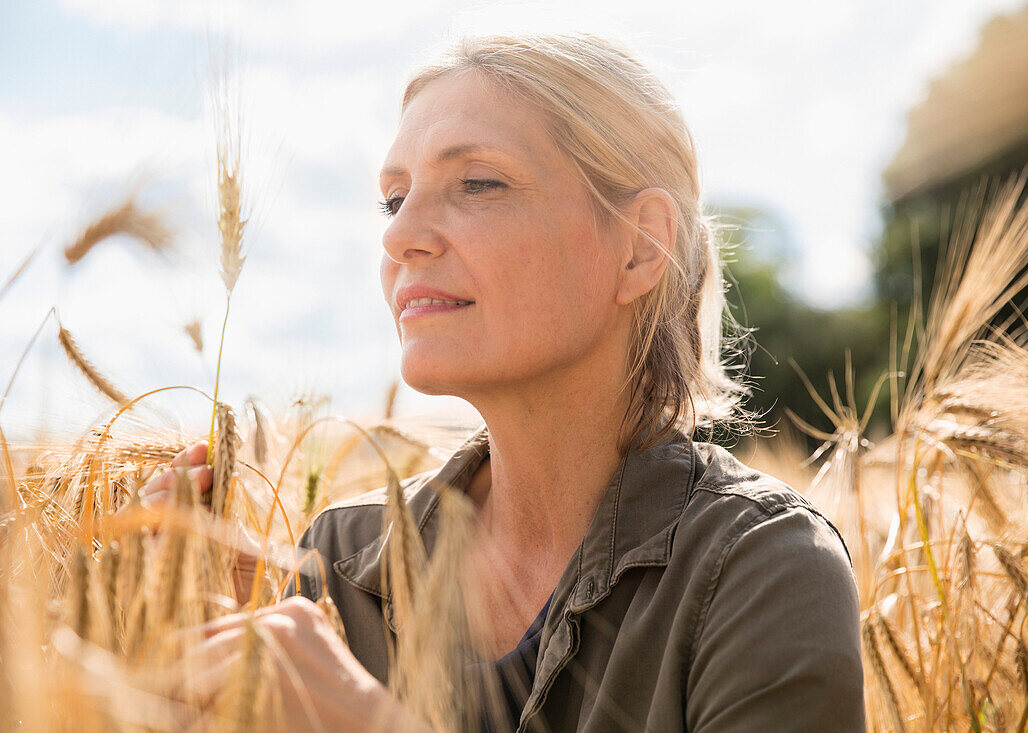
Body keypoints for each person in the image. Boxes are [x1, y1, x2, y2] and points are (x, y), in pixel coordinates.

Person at [146, 32, 865, 732]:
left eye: (478, 183)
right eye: (394, 199)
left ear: (640, 247)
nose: (400, 237)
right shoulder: (336, 562)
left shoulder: (761, 566)